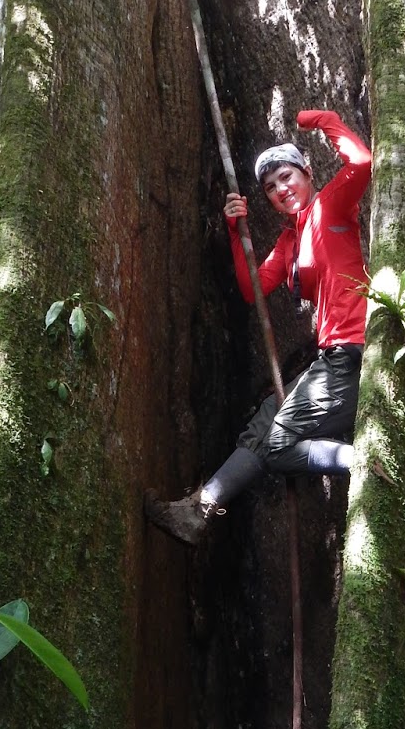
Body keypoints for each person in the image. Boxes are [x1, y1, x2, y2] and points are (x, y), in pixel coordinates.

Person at [145, 107, 371, 545]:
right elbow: (252, 288)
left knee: (280, 446)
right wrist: (235, 230)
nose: (281, 189)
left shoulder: (332, 203)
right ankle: (200, 510)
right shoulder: (290, 240)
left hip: (352, 353)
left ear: (307, 173)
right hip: (330, 357)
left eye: (287, 177)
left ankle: (368, 460)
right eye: (270, 187)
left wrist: (322, 119)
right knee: (264, 424)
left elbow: (361, 162)